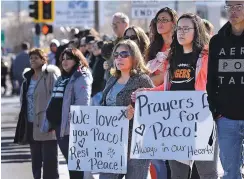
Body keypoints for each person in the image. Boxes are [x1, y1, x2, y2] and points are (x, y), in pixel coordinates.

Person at [132, 13, 221, 179]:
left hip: (201, 122)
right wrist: (146, 94)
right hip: (176, 125)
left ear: (197, 31)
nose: (181, 32)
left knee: (207, 173)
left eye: (186, 28)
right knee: (178, 174)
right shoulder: (171, 58)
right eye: (179, 28)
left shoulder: (207, 56)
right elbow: (168, 90)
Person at [99, 39, 154, 179]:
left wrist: (134, 114)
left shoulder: (142, 79)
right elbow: (103, 107)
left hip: (135, 145)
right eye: (116, 55)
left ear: (134, 57)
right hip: (111, 142)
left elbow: (154, 111)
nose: (119, 58)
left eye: (124, 54)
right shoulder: (112, 79)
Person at [206, 1, 244, 179]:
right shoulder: (217, 41)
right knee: (230, 173)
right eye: (230, 7)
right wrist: (216, 110)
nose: (233, 11)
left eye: (239, 6)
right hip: (226, 118)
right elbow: (211, 78)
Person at [43, 48, 93, 179]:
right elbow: (54, 99)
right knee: (71, 162)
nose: (65, 62)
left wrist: (74, 126)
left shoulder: (81, 76)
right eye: (63, 59)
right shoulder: (63, 77)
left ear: (77, 60)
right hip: (59, 125)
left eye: (68, 59)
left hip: (71, 128)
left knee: (75, 164)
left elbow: (82, 103)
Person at [14, 48, 61, 179]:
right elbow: (23, 101)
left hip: (47, 123)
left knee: (49, 160)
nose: (33, 60)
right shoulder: (27, 79)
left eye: (36, 58)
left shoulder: (50, 76)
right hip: (30, 123)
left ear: (43, 60)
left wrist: (53, 121)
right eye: (31, 58)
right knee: (35, 160)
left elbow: (57, 99)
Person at [146, 7, 178, 87]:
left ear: (173, 24)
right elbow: (147, 75)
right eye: (158, 20)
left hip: (175, 93)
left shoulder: (179, 46)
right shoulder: (153, 47)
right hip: (155, 93)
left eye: (164, 20)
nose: (160, 23)